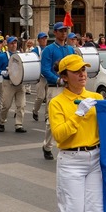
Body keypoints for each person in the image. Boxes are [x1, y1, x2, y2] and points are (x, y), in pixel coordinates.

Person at [45, 53, 106, 212]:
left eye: (84, 70)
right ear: (64, 76)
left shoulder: (96, 97)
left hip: (96, 159)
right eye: (76, 71)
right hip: (71, 160)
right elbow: (60, 135)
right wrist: (79, 114)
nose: (83, 74)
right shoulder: (57, 103)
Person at [40, 22, 76, 160]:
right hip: (55, 88)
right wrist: (57, 80)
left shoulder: (70, 49)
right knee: (51, 120)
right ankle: (47, 146)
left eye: (65, 31)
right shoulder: (49, 50)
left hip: (69, 88)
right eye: (60, 31)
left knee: (71, 116)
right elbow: (45, 70)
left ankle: (68, 144)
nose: (63, 33)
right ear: (54, 33)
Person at [30, 31, 49, 122]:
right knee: (41, 97)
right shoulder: (35, 50)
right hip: (40, 76)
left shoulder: (49, 49)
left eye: (45, 38)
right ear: (38, 40)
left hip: (48, 76)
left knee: (49, 97)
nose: (44, 40)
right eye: (42, 38)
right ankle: (35, 110)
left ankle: (47, 116)